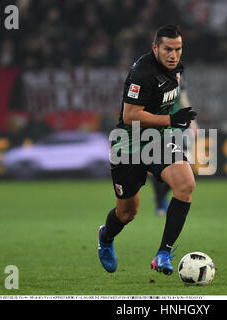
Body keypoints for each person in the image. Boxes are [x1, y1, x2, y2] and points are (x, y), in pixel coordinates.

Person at [97, 25, 197, 275]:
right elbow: (130, 116)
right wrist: (171, 121)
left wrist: (177, 122)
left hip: (158, 140)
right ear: (155, 48)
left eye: (178, 49)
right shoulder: (142, 73)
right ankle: (106, 237)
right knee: (127, 213)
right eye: (168, 49)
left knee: (185, 185)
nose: (173, 55)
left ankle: (163, 253)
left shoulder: (175, 71)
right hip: (128, 144)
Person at [150, 78, 197, 216]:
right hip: (159, 127)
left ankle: (161, 195)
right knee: (159, 166)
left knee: (185, 164)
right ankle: (160, 202)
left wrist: (192, 122)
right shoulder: (152, 80)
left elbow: (184, 100)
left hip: (178, 127)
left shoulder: (178, 81)